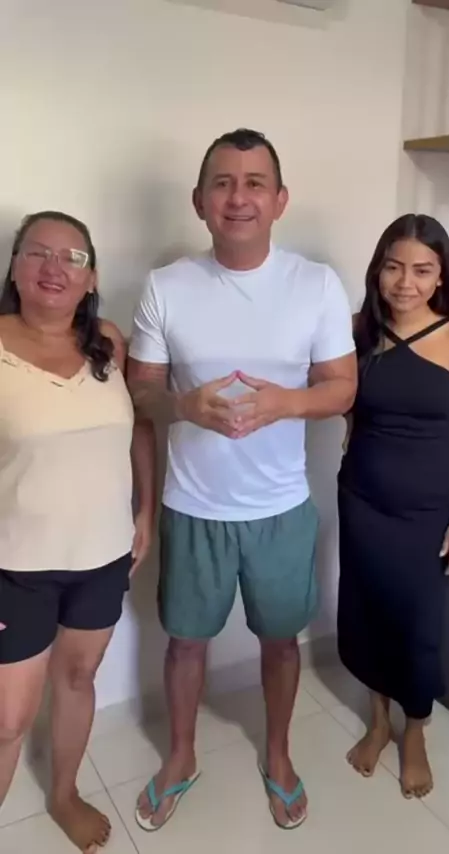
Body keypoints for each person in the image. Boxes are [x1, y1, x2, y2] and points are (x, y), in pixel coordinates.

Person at [128, 128, 357, 831]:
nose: (238, 197)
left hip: (281, 507)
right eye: (222, 183)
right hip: (191, 506)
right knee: (185, 642)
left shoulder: (315, 284)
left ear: (279, 200)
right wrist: (183, 407)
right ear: (199, 200)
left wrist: (285, 402)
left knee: (281, 641)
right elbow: (141, 390)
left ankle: (278, 755)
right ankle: (181, 755)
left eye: (255, 183)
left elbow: (343, 387)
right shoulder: (166, 286)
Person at [0, 211, 156, 854]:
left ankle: (63, 793)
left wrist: (145, 511)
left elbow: (140, 426)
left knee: (78, 678)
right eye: (38, 252)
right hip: (15, 563)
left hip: (102, 556)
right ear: (14, 267)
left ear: (91, 278)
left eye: (73, 257)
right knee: (8, 719)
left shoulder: (108, 343)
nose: (54, 267)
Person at [338, 214, 449, 799]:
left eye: (422, 270)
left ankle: (414, 729)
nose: (405, 282)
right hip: (362, 501)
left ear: (440, 276)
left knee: (418, 626)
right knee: (369, 614)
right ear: (378, 270)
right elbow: (348, 409)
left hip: (426, 511)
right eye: (394, 267)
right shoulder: (359, 332)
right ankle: (378, 722)